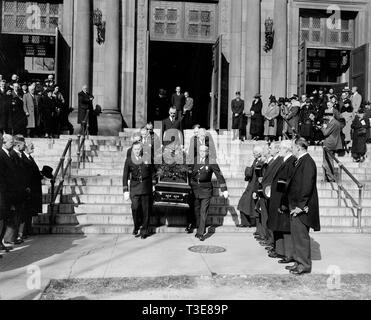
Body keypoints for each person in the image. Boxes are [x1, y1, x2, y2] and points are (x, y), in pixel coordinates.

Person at [286, 138, 320, 275]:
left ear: (299, 148)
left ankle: (304, 265)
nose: (291, 149)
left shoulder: (308, 162)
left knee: (301, 236)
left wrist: (300, 205)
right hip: (295, 205)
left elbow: (307, 186)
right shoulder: (300, 161)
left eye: (293, 147)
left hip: (301, 207)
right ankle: (298, 261)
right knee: (296, 235)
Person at [189, 145, 228, 241]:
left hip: (206, 189)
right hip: (195, 189)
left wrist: (224, 189)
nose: (202, 152)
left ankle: (201, 232)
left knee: (203, 211)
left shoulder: (211, 161)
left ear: (207, 152)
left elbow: (219, 175)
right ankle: (199, 227)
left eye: (204, 151)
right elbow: (189, 172)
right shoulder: (195, 159)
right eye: (200, 150)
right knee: (196, 211)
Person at [267, 140, 297, 264]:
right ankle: (281, 251)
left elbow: (286, 183)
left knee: (285, 228)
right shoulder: (285, 161)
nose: (280, 151)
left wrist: (283, 202)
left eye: (282, 149)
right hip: (277, 199)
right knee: (279, 226)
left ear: (287, 150)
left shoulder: (290, 162)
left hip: (282, 200)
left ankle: (288, 254)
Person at [123, 142, 157, 239]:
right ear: (132, 150)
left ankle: (144, 231)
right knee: (135, 207)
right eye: (135, 149)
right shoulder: (129, 160)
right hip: (134, 186)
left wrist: (153, 184)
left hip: (146, 186)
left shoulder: (147, 158)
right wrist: (125, 190)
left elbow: (153, 172)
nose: (137, 151)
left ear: (141, 149)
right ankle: (136, 225)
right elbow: (125, 175)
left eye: (138, 149)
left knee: (146, 210)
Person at [256, 142, 283, 251]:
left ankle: (271, 240)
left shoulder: (279, 161)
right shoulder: (272, 161)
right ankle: (269, 239)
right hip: (265, 192)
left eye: (271, 148)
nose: (269, 150)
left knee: (269, 217)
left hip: (270, 193)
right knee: (266, 216)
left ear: (277, 149)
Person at [2, 135, 29, 245]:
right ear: (4, 142)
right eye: (11, 142)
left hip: (14, 190)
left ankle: (9, 239)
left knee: (13, 216)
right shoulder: (6, 154)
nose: (12, 144)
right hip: (7, 191)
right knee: (7, 217)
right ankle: (8, 239)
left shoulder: (9, 154)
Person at [237, 145, 264, 227]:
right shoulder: (255, 161)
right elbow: (250, 173)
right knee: (242, 204)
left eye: (255, 153)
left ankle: (250, 223)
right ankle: (246, 222)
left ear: (259, 154)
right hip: (250, 185)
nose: (254, 154)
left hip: (254, 187)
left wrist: (257, 190)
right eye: (253, 153)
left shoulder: (261, 162)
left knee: (249, 205)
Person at [22, 141, 43, 238]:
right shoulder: (23, 158)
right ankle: (24, 231)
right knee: (26, 211)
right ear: (25, 147)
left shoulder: (29, 158)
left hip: (34, 188)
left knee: (30, 211)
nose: (33, 148)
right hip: (29, 188)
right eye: (31, 146)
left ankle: (28, 229)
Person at [321, 109, 343, 182]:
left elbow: (325, 133)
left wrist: (323, 127)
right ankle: (330, 176)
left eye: (329, 115)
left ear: (333, 115)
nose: (328, 116)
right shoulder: (335, 122)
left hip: (329, 144)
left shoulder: (333, 123)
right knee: (329, 160)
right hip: (333, 143)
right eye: (327, 115)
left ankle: (330, 177)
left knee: (327, 161)